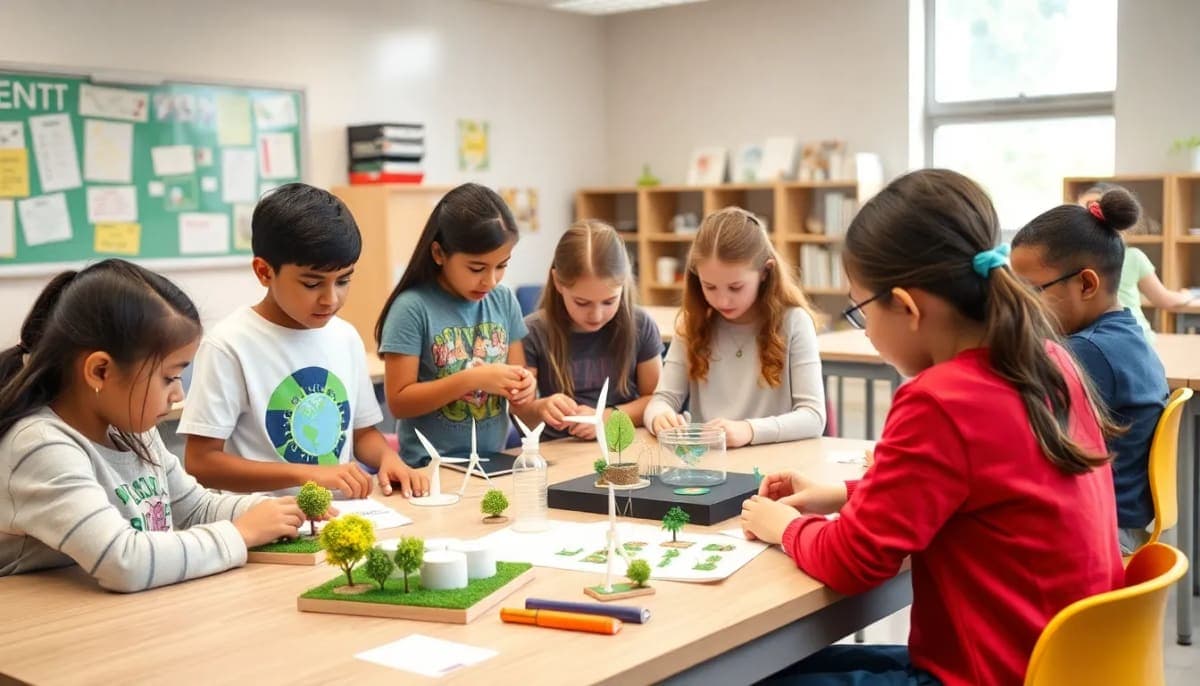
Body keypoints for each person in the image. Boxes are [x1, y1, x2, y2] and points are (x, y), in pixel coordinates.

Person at [741, 169, 1123, 685]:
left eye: (859, 310)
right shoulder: (1049, 360)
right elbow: (973, 488)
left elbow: (852, 563)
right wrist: (843, 494)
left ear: (906, 306)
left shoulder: (940, 400)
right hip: (1055, 666)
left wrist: (783, 527)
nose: (865, 330)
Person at [0, 260, 309, 592]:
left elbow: (194, 508)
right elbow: (123, 561)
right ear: (100, 371)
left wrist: (271, 511)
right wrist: (241, 533)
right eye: (169, 377)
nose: (179, 395)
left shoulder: (131, 430)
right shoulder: (39, 445)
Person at [180, 183, 427, 497]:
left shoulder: (345, 337)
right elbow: (201, 463)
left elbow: (362, 433)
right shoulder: (229, 346)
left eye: (344, 280)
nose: (331, 299)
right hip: (267, 521)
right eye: (312, 284)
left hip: (342, 515)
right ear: (264, 272)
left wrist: (387, 458)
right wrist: (308, 474)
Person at [643, 206, 825, 447]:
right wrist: (660, 416)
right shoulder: (691, 323)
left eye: (736, 287)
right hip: (709, 461)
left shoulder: (794, 322)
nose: (722, 301)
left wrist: (749, 430)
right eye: (709, 287)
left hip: (774, 461)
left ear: (765, 271)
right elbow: (661, 400)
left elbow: (813, 417)